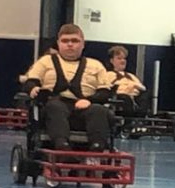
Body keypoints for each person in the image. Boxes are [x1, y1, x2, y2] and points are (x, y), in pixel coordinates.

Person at [22, 23, 115, 151]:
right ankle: (62, 146)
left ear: (83, 44)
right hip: (54, 106)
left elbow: (105, 92)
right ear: (58, 43)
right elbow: (30, 82)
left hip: (86, 106)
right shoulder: (45, 61)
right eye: (65, 41)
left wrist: (89, 101)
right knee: (54, 107)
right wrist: (33, 89)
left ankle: (97, 147)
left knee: (99, 110)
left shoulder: (96, 65)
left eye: (75, 41)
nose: (70, 44)